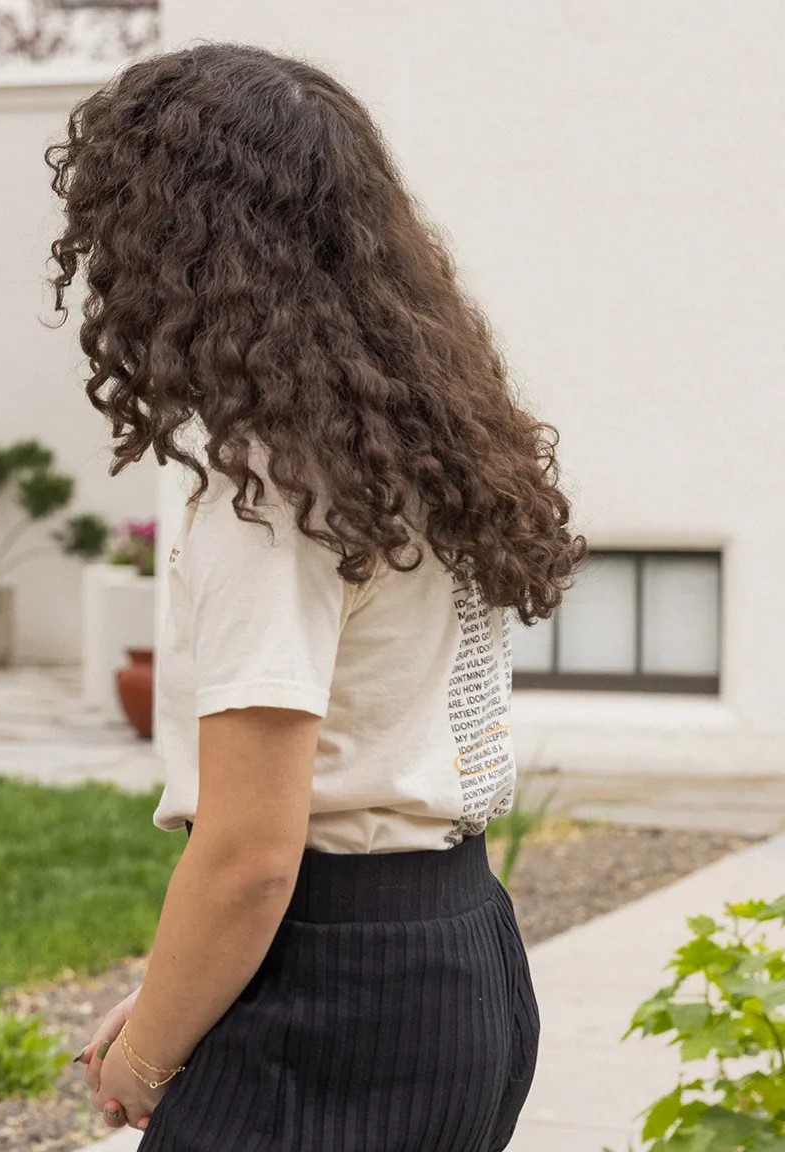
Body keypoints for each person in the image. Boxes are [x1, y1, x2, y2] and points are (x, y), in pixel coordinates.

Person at [48, 45, 581, 1150]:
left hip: (332, 995)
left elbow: (250, 852)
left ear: (168, 242)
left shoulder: (272, 484)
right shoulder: (415, 433)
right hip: (458, 949)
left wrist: (147, 1061)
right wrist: (168, 1002)